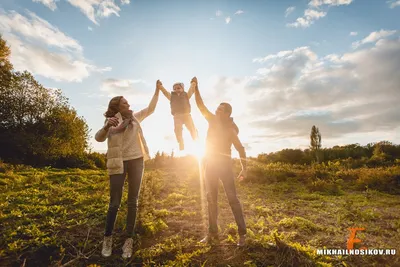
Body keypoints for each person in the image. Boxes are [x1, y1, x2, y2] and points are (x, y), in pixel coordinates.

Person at [95, 81, 160, 259]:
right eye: (125, 103)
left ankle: (128, 240)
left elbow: (151, 108)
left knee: (133, 201)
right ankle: (107, 238)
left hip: (137, 161)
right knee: (114, 203)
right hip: (118, 163)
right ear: (116, 106)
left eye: (128, 103)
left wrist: (156, 90)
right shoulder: (113, 121)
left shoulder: (136, 117)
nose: (129, 105)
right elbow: (99, 138)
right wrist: (107, 125)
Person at [192, 77, 247, 247]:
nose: (216, 111)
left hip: (225, 167)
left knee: (232, 199)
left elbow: (241, 149)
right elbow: (200, 105)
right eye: (217, 108)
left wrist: (245, 169)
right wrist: (196, 88)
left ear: (227, 113)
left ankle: (242, 235)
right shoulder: (212, 120)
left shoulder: (231, 130)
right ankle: (212, 233)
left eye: (220, 109)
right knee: (211, 200)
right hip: (210, 166)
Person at [157, 79, 198, 150]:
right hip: (177, 116)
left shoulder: (186, 95)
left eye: (178, 88)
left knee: (191, 127)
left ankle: (196, 139)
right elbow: (165, 92)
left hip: (186, 114)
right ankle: (180, 142)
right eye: (175, 89)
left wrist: (193, 83)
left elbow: (191, 90)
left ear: (182, 88)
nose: (176, 90)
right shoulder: (171, 97)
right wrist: (160, 86)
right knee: (177, 129)